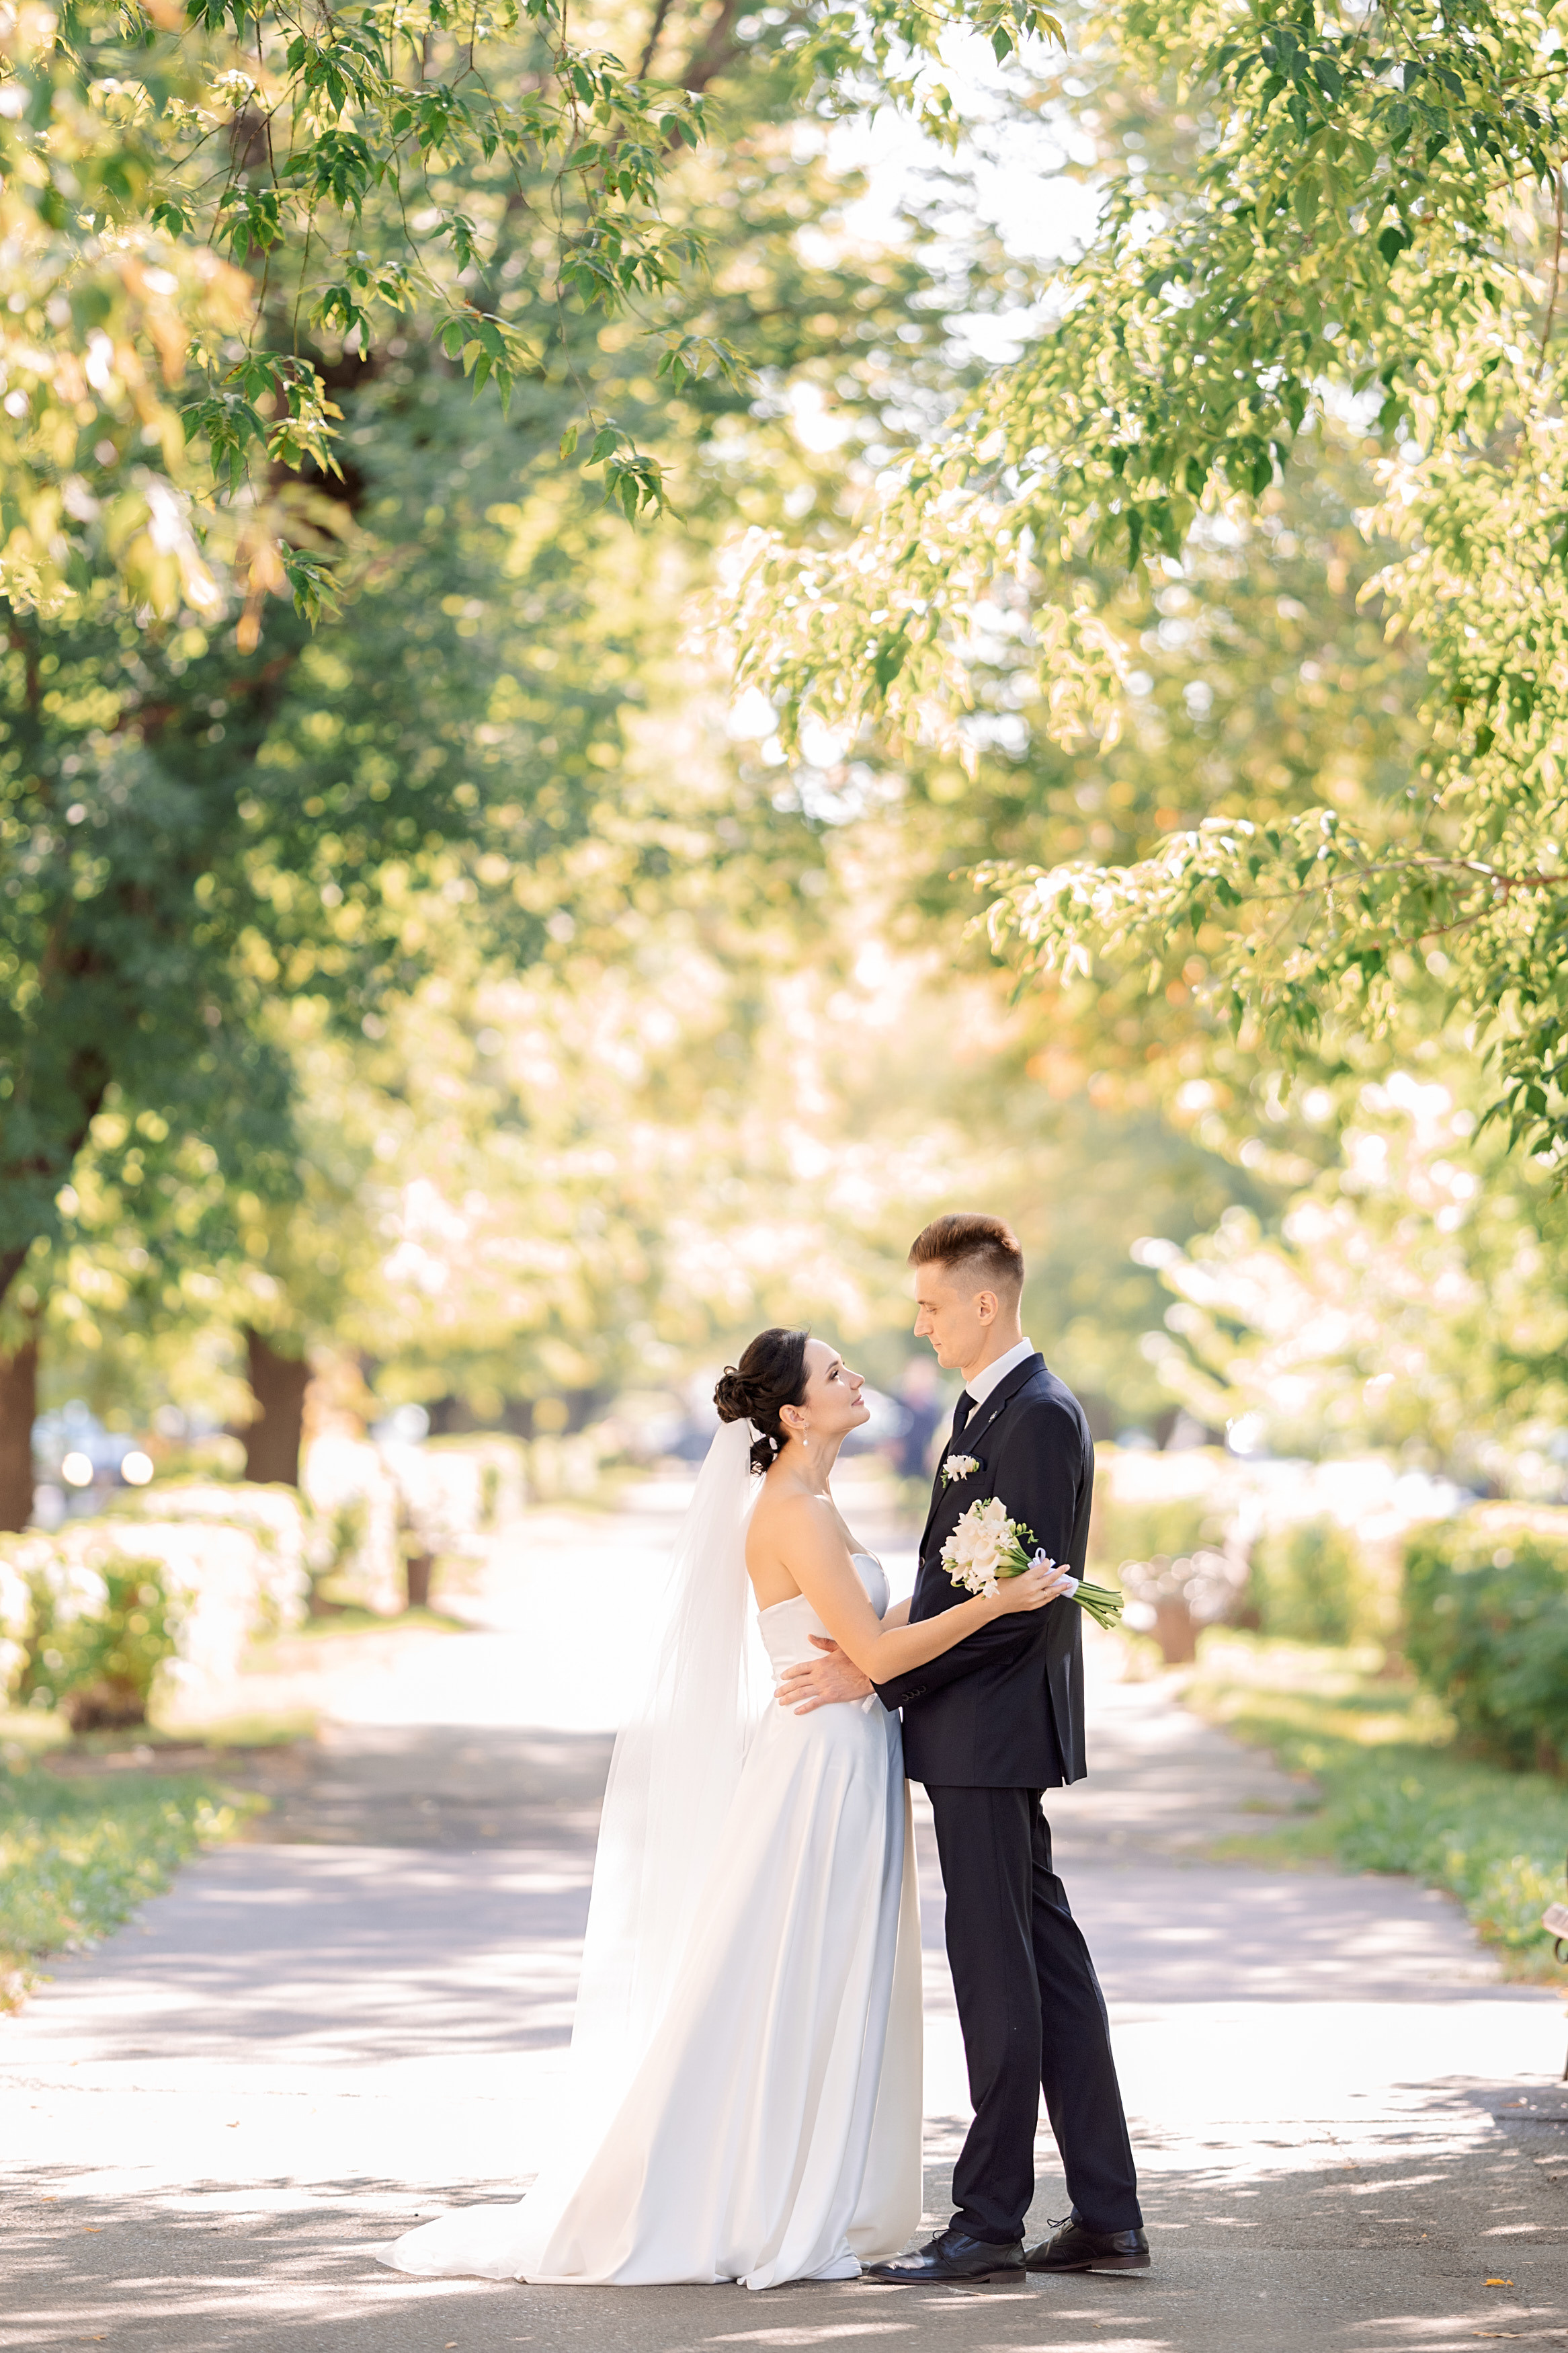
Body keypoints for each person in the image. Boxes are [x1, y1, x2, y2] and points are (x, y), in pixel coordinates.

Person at [376, 1325, 1064, 2290]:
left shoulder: (816, 1497)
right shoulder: (788, 1508)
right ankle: (748, 2198)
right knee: (791, 1971)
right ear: (791, 1414)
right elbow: (871, 1659)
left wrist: (968, 1585)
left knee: (826, 1974)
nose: (855, 1376)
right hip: (819, 1769)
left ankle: (798, 2180)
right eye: (834, 1373)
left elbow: (867, 1636)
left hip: (850, 1753)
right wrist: (999, 1605)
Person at [776, 1211, 1149, 2285]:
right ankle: (1107, 2214)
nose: (920, 1322)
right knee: (1051, 1972)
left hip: (988, 1733)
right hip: (978, 1732)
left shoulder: (1035, 1416)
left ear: (986, 1302)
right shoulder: (989, 1406)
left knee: (999, 1982)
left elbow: (1016, 1608)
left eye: (933, 1304)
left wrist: (882, 1669)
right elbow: (971, 1584)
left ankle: (987, 2222)